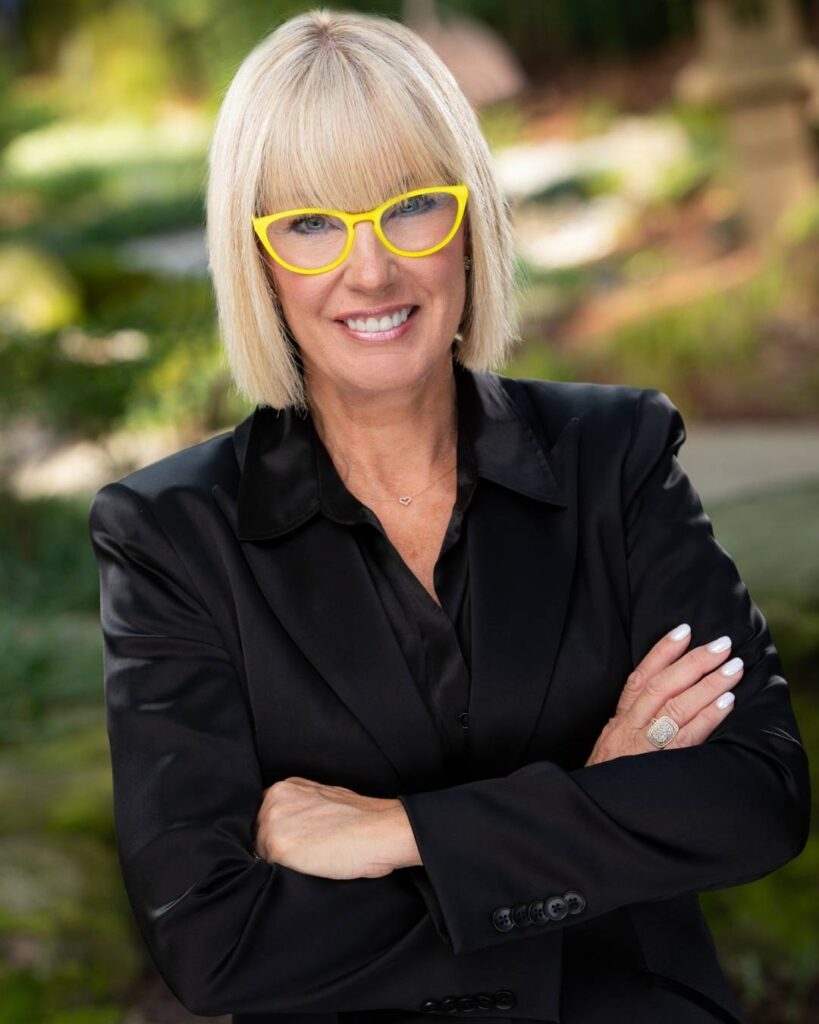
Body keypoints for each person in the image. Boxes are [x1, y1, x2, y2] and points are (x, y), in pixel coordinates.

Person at [88, 9, 810, 1024]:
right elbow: (214, 939)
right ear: (256, 261)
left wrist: (396, 831)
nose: (370, 269)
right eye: (309, 223)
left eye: (412, 207)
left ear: (470, 220)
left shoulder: (617, 455)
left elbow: (754, 796)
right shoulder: (170, 535)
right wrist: (595, 798)